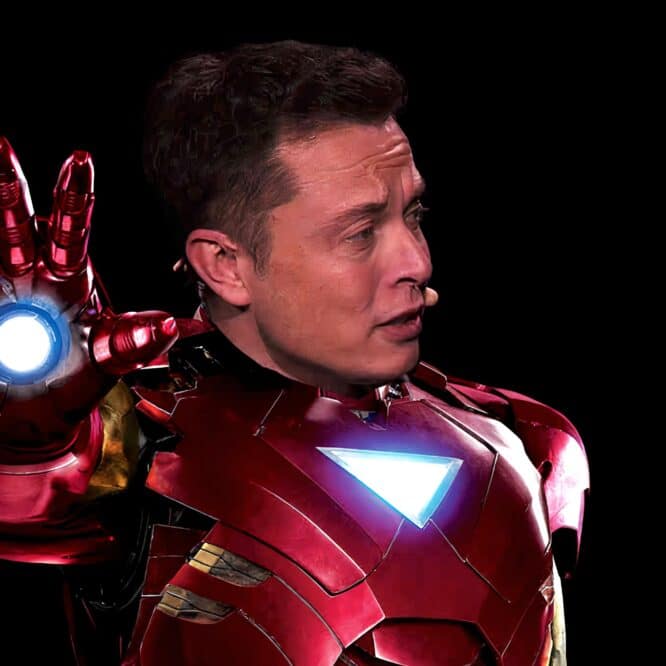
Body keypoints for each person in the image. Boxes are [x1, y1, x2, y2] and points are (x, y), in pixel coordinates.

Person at [0, 40, 589, 665]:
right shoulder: (132, 447)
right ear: (225, 265)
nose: (418, 262)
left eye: (413, 215)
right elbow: (36, 489)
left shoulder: (528, 441)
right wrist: (32, 431)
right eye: (360, 232)